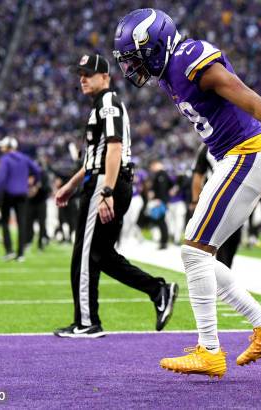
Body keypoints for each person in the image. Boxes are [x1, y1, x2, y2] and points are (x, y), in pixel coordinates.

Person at [114, 8, 261, 378]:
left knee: (193, 253)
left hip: (247, 153)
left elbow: (248, 97)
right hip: (234, 157)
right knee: (200, 256)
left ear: (157, 44)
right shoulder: (168, 72)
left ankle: (210, 350)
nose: (133, 68)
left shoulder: (189, 59)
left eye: (136, 57)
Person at [53, 53, 178, 338]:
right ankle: (158, 290)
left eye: (88, 73)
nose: (82, 78)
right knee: (101, 254)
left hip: (106, 182)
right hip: (105, 179)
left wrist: (106, 190)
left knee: (83, 256)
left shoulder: (107, 102)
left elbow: (114, 149)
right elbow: (95, 156)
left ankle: (86, 322)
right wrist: (72, 184)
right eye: (80, 74)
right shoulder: (101, 105)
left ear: (105, 77)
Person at [192, 144, 243, 268]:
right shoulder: (207, 147)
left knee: (234, 238)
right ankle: (221, 272)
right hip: (215, 195)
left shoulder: (241, 141)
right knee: (219, 240)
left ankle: (225, 270)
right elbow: (198, 175)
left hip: (238, 196)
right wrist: (195, 200)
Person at [0, 136, 41, 262]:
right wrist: (34, 182)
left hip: (7, 194)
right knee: (22, 223)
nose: (1, 148)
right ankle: (20, 253)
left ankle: (9, 250)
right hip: (22, 194)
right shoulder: (25, 158)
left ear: (9, 147)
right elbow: (37, 170)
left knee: (4, 222)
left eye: (3, 146)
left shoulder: (5, 159)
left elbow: (1, 179)